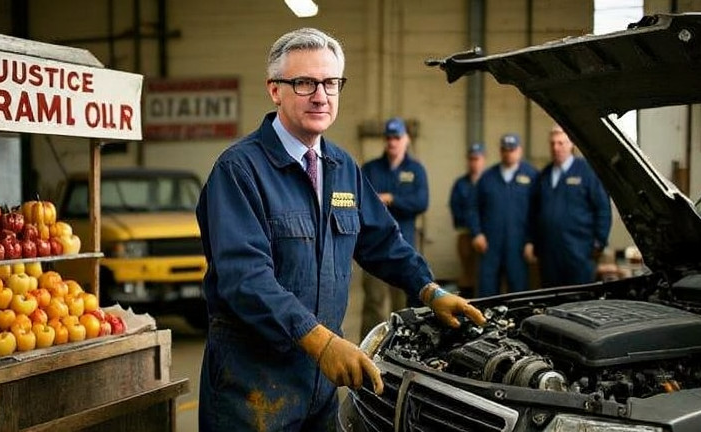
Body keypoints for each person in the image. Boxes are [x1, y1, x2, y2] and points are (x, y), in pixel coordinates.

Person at [195, 27, 484, 432]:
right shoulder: (240, 171)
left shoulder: (341, 167)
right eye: (304, 82)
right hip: (252, 386)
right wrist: (322, 342)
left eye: (331, 82)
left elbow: (381, 240)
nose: (321, 95)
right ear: (274, 90)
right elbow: (244, 278)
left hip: (320, 384)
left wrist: (428, 290)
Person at [359, 117, 429, 338]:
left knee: (405, 302)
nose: (392, 142)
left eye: (397, 138)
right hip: (373, 247)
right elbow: (360, 203)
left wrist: (391, 199)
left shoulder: (416, 170)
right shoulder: (370, 169)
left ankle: (403, 348)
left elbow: (421, 202)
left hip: (405, 244)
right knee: (374, 301)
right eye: (388, 138)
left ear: (406, 139)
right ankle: (369, 351)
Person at [525, 125, 612, 287]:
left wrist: (599, 241)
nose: (556, 148)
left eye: (561, 143)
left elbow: (603, 208)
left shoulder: (587, 172)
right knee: (550, 297)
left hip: (578, 251)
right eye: (552, 143)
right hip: (549, 252)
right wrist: (531, 241)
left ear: (571, 144)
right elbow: (534, 213)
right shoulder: (544, 175)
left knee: (578, 298)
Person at [470, 133, 538, 296]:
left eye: (512, 150)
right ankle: (485, 321)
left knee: (518, 291)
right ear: (500, 151)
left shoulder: (532, 176)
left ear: (519, 151)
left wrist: (532, 241)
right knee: (487, 291)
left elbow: (538, 212)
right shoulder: (487, 177)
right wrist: (477, 233)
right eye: (505, 150)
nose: (509, 153)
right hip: (490, 245)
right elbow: (472, 208)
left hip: (519, 245)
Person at [448, 142, 485, 297]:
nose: (474, 162)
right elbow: (455, 208)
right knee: (467, 274)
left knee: (485, 274)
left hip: (486, 235)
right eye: (471, 159)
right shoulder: (461, 184)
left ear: (483, 160)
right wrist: (472, 223)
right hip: (466, 234)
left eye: (477, 159)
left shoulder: (489, 181)